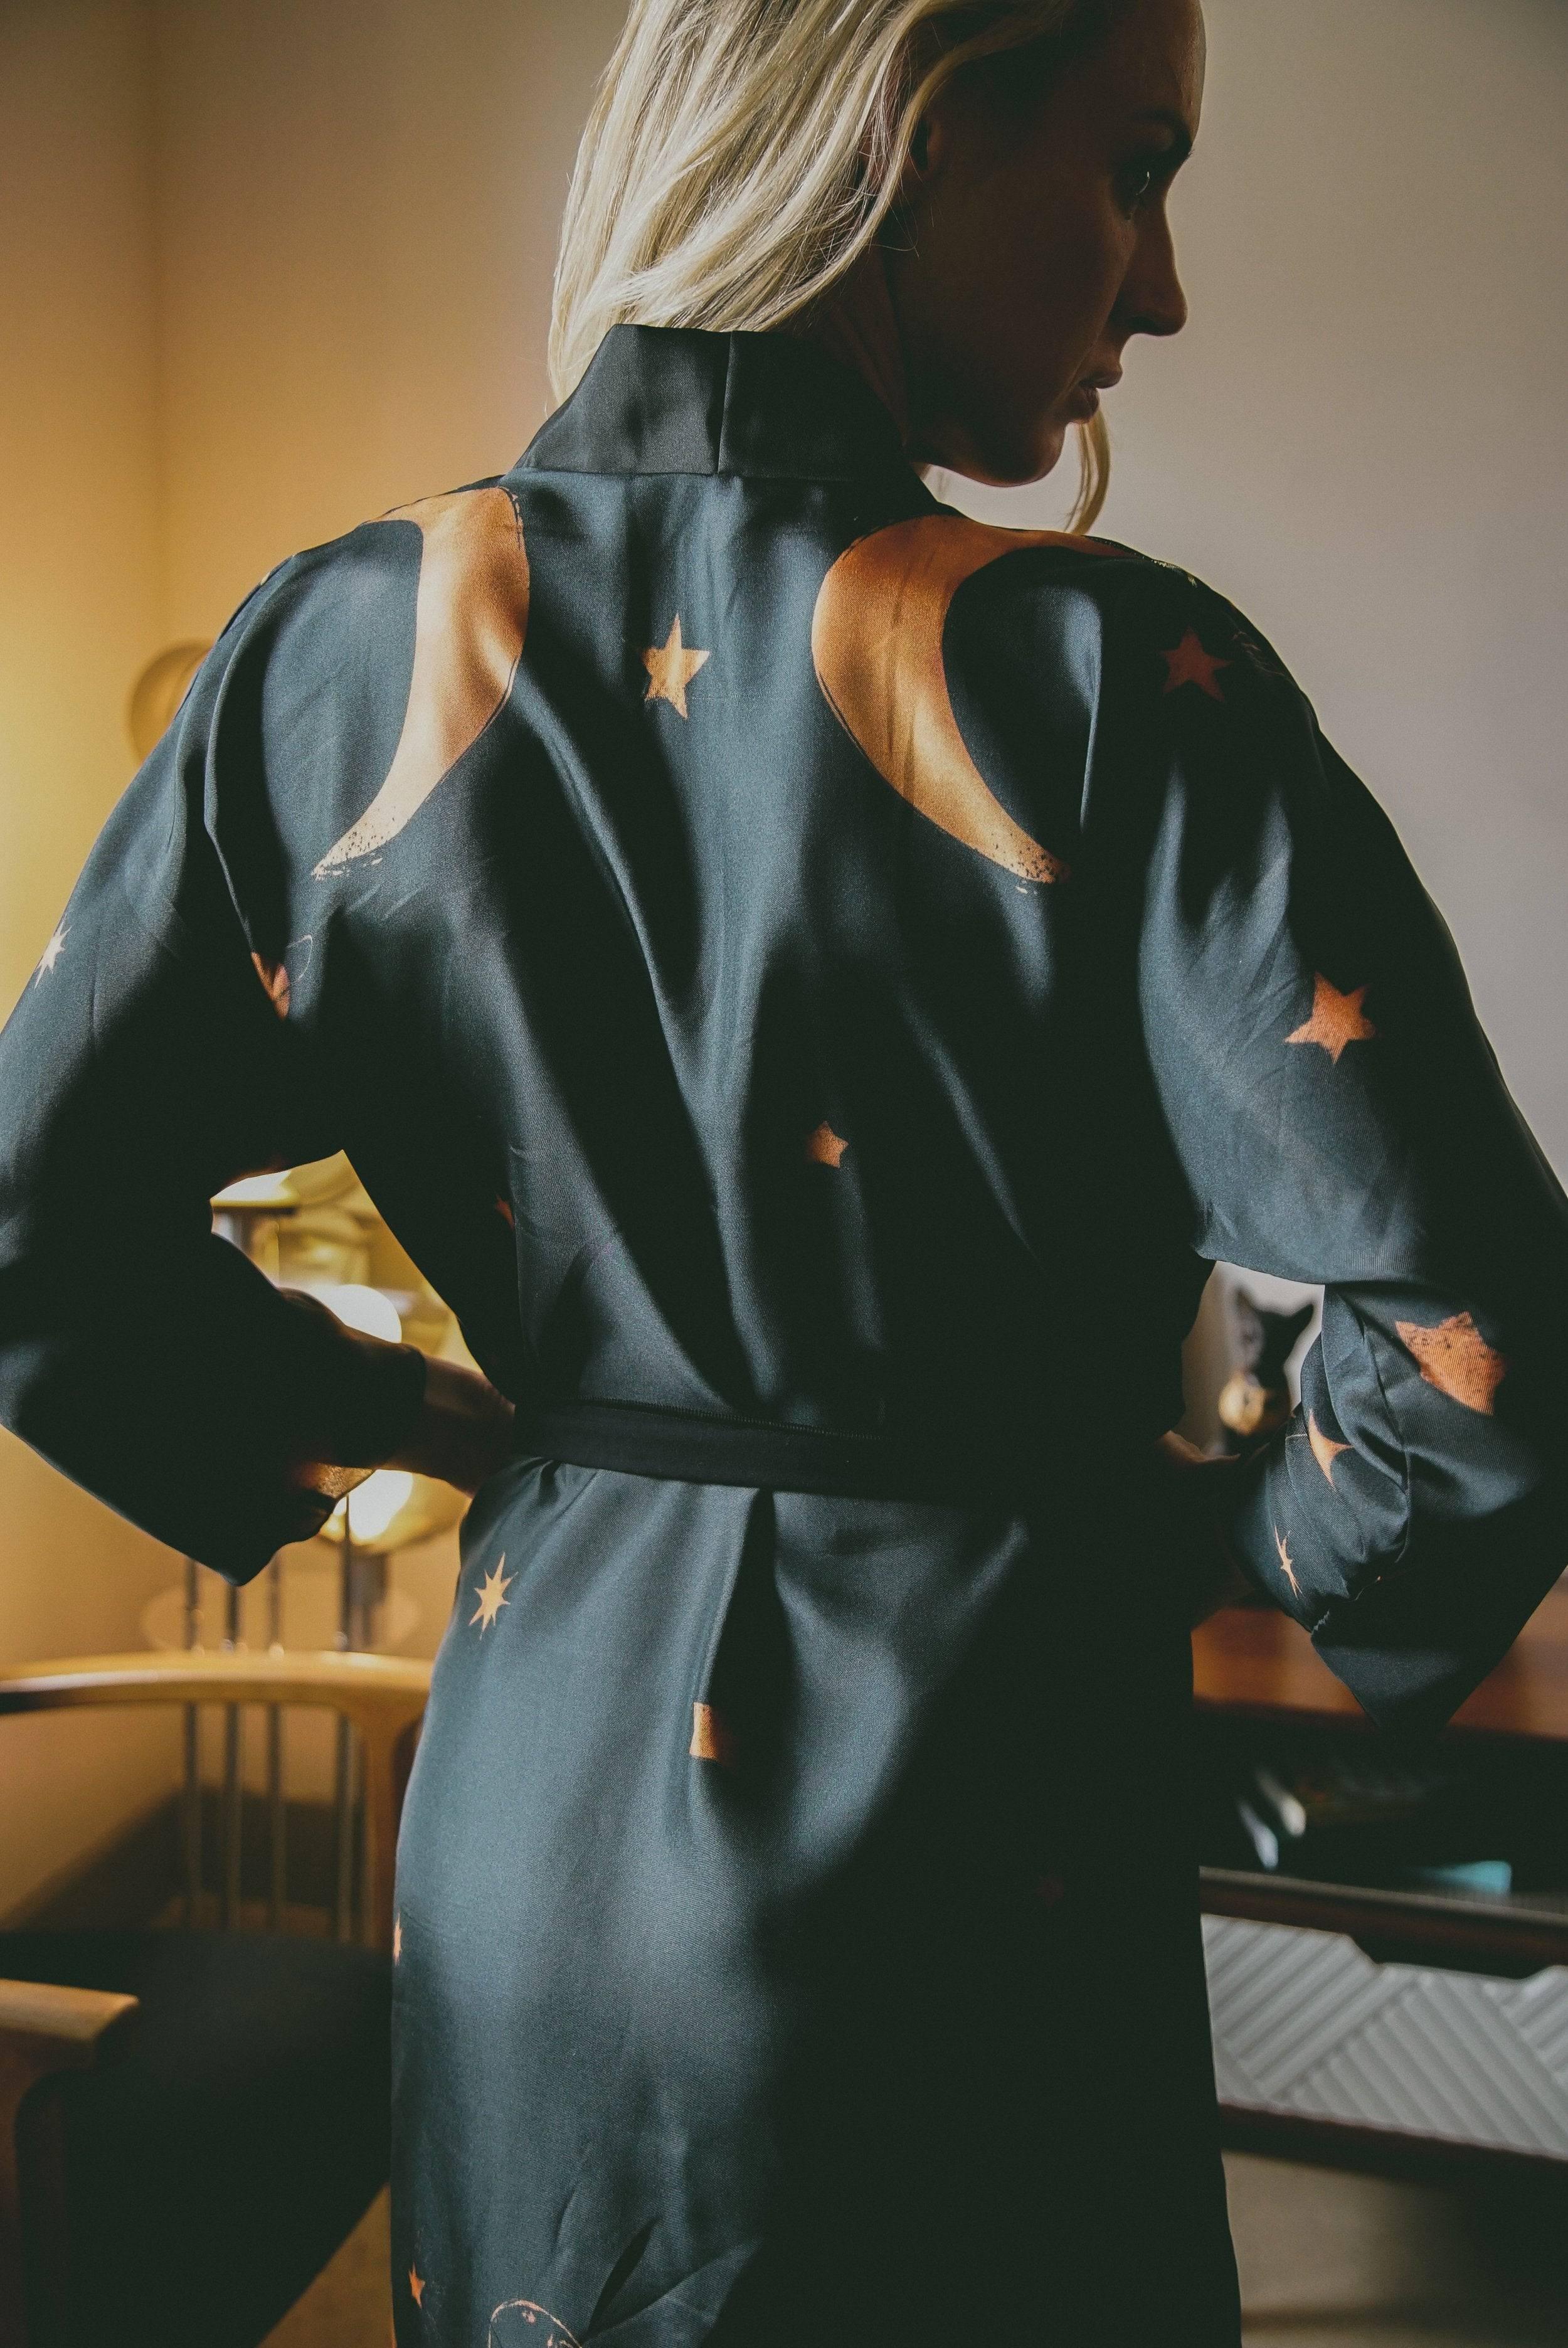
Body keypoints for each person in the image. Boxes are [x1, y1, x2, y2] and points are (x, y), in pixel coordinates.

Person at [1, 0, 1563, 2338]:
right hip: (978, 1816)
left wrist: (410, 1424)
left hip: (531, 1804)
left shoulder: (332, 647)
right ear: (914, 124)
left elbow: (33, 1226)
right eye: (1134, 167)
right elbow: (1478, 1358)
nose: (1160, 290)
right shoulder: (1114, 681)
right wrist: (1187, 1540)